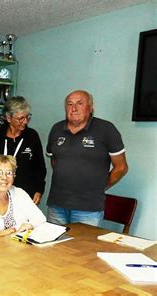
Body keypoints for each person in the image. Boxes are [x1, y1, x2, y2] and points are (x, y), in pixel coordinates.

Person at [46, 90, 128, 226]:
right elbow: (55, 160)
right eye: (70, 104)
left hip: (88, 208)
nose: (74, 108)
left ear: (91, 107)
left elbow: (121, 167)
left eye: (80, 103)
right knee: (53, 245)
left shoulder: (106, 129)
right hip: (57, 205)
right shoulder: (56, 129)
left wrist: (101, 186)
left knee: (82, 247)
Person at [0, 96, 46, 204]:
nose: (25, 122)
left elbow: (39, 166)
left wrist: (39, 190)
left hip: (26, 195)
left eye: (27, 117)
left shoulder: (32, 136)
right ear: (8, 118)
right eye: (21, 118)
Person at [0, 155, 46, 238]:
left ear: (14, 177)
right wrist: (1, 236)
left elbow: (41, 219)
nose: (4, 177)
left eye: (9, 173)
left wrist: (29, 225)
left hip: (22, 248)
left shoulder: (20, 193)